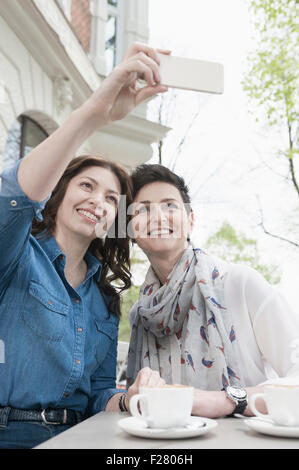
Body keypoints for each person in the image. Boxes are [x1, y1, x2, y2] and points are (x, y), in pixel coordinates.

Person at [0, 43, 168, 449]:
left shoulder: (104, 299)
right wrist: (94, 114)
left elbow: (96, 395)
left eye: (112, 198)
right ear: (57, 194)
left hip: (81, 438)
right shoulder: (16, 253)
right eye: (87, 186)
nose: (99, 201)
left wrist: (131, 398)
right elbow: (14, 196)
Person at [126, 163, 299, 418]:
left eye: (170, 205)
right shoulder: (141, 314)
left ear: (191, 220)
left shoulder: (240, 284)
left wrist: (226, 401)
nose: (158, 217)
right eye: (143, 209)